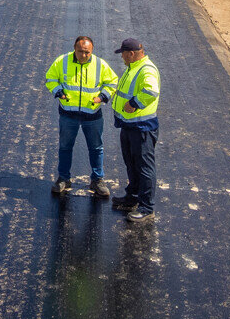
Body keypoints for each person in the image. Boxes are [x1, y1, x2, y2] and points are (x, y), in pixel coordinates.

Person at [44, 37, 119, 198]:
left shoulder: (100, 64)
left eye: (87, 52)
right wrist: (58, 92)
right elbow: (50, 78)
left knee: (96, 148)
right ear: (74, 49)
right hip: (68, 114)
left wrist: (102, 97)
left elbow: (112, 82)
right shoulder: (62, 62)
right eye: (81, 51)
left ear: (92, 51)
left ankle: (97, 180)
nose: (84, 55)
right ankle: (63, 178)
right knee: (65, 147)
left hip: (92, 115)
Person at [110, 38, 161, 223]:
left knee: (144, 168)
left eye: (123, 53)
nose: (121, 57)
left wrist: (134, 103)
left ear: (131, 54)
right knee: (131, 164)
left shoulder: (146, 69)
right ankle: (132, 197)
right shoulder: (134, 67)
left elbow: (151, 91)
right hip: (129, 126)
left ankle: (146, 208)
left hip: (142, 128)